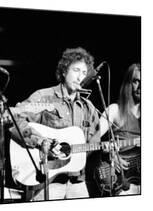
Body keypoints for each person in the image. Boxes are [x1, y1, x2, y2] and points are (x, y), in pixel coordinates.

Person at [10, 47, 100, 200]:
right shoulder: (44, 96)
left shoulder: (88, 107)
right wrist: (39, 142)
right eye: (76, 70)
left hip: (77, 181)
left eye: (84, 73)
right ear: (64, 71)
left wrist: (106, 149)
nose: (80, 77)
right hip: (47, 180)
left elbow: (94, 141)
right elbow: (15, 120)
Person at [99, 63, 141, 195]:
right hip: (120, 179)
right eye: (136, 81)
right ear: (128, 84)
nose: (141, 87)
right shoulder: (114, 110)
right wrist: (110, 154)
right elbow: (90, 142)